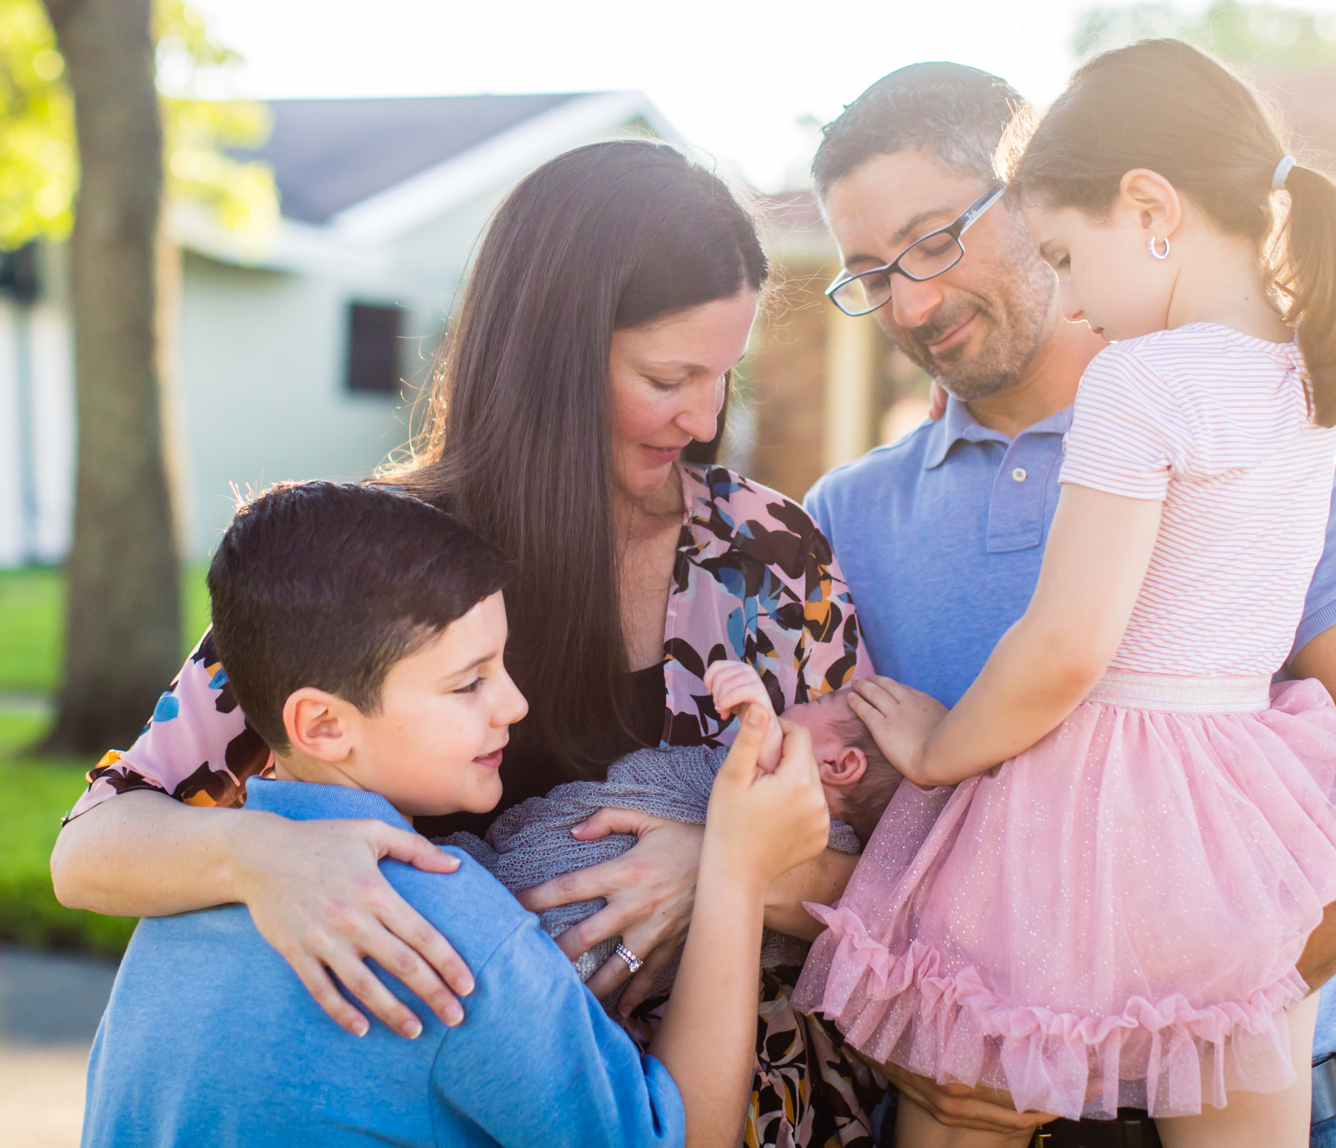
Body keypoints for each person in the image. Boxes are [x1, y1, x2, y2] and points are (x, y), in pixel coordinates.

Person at [51, 139, 884, 1145]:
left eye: (723, 377)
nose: (703, 419)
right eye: (669, 376)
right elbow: (94, 850)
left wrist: (723, 870)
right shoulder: (370, 563)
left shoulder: (769, 556)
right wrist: (263, 856)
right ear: (553, 354)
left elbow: (894, 876)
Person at [797, 61, 1336, 1146]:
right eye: (867, 274)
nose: (910, 299)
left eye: (935, 240)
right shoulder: (842, 514)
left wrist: (1200, 1010)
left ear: (1118, 206)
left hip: (1216, 1025)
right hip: (981, 1077)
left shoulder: (1204, 411)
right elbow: (830, 810)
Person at [82, 481, 831, 1148]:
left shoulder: (173, 912)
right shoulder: (450, 927)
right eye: (469, 683)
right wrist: (735, 864)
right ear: (323, 724)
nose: (514, 703)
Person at [447, 660, 904, 994]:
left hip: (581, 908)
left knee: (537, 929)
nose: (802, 702)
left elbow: (762, 771)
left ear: (841, 765)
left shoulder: (801, 808)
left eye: (820, 702)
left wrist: (756, 709)